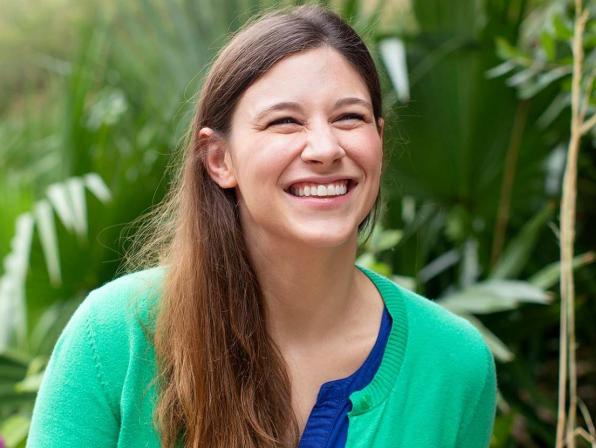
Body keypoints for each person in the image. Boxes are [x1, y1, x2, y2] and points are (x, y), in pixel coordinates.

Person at [27, 5, 497, 448]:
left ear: (379, 139)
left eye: (349, 117)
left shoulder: (454, 364)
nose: (325, 148)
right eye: (285, 122)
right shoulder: (116, 336)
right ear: (219, 160)